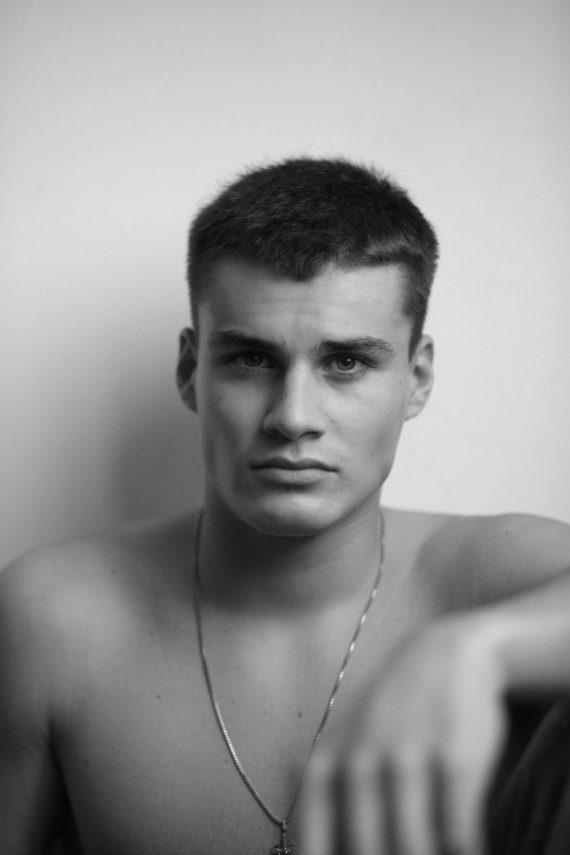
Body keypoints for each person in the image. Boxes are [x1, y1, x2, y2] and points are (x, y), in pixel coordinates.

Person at [1, 157, 569, 855]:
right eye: (251, 360)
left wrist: (475, 652)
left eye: (346, 362)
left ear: (417, 378)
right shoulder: (57, 619)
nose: (293, 417)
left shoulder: (487, 583)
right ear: (190, 370)